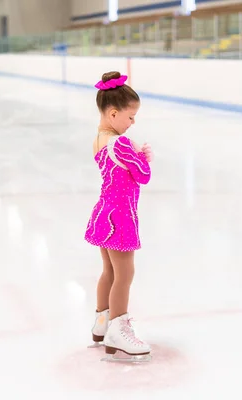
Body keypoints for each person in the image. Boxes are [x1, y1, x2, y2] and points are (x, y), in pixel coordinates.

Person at [84, 71, 154, 361]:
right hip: (121, 216)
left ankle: (102, 321)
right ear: (113, 113)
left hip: (104, 212)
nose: (132, 122)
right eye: (130, 116)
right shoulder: (122, 144)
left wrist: (136, 155)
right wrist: (143, 157)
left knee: (109, 271)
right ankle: (118, 329)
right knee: (125, 273)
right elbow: (143, 176)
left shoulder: (99, 138)